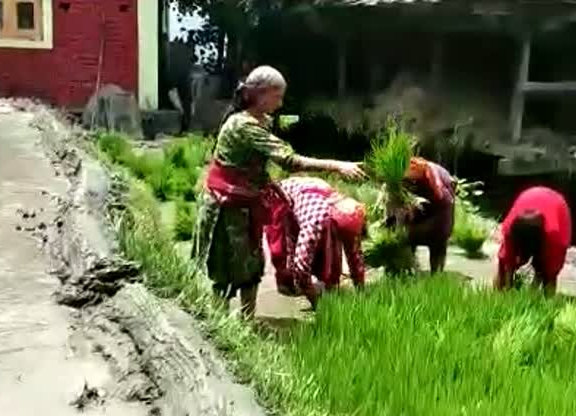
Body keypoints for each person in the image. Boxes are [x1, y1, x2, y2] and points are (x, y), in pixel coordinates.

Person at [191, 65, 365, 317]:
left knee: (252, 267)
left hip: (247, 204)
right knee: (226, 271)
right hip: (225, 206)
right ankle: (219, 329)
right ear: (261, 95)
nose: (281, 102)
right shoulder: (242, 126)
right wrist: (337, 165)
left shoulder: (263, 121)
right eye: (278, 96)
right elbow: (288, 160)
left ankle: (248, 323)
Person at [265, 176, 366, 309]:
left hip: (313, 193)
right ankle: (287, 282)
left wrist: (363, 295)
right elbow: (301, 267)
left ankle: (329, 282)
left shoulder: (350, 211)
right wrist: (316, 304)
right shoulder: (315, 221)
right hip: (282, 195)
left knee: (329, 249)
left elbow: (354, 256)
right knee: (283, 247)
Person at [494, 186, 572, 294]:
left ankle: (534, 290)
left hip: (557, 205)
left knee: (546, 270)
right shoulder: (509, 228)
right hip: (529, 197)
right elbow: (506, 260)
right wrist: (505, 289)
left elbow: (551, 276)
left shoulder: (555, 239)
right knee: (504, 269)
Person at [385, 157, 456, 273]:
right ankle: (408, 269)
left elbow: (445, 199)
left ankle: (436, 276)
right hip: (419, 210)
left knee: (437, 244)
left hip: (439, 213)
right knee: (407, 239)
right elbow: (395, 204)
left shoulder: (434, 179)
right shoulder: (402, 176)